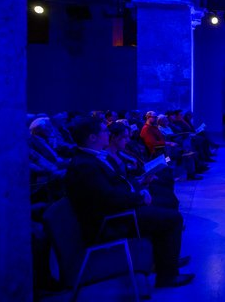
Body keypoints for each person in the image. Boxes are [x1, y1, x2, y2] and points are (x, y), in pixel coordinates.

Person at [65, 116, 195, 287]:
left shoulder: (91, 158)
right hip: (110, 223)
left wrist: (138, 187)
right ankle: (167, 277)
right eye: (104, 131)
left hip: (116, 212)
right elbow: (109, 198)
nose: (108, 133)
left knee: (164, 204)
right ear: (93, 137)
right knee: (173, 219)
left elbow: (115, 185)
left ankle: (166, 261)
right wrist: (139, 197)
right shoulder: (85, 165)